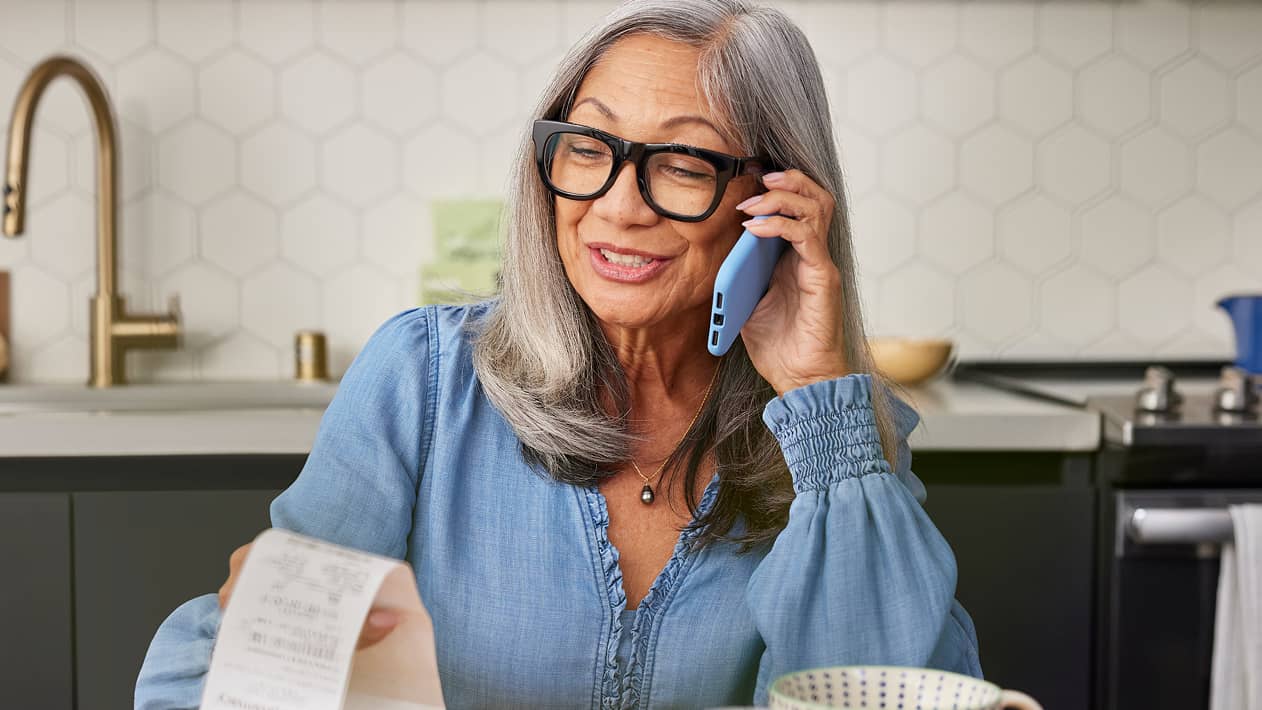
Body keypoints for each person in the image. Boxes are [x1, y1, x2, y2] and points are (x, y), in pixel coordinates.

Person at [135, 1, 981, 707]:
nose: (616, 207)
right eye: (589, 147)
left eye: (683, 164)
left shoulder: (834, 429)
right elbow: (224, 675)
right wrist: (277, 628)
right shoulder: (424, 381)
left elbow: (887, 690)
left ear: (774, 205)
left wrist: (818, 395)